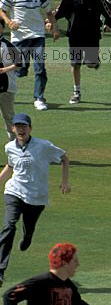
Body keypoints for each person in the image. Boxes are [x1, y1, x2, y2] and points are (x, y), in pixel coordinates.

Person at [0, 113, 67, 287]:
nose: (20, 130)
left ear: (30, 128)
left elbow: (64, 158)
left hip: (37, 197)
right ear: (13, 129)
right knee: (9, 225)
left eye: (24, 126)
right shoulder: (9, 147)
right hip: (14, 191)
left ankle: (28, 235)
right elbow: (11, 166)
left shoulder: (43, 146)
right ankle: (0, 268)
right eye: (17, 126)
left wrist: (64, 182)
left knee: (28, 228)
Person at [53, 0, 111, 106]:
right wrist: (50, 23)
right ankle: (76, 92)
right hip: (75, 36)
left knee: (90, 64)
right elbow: (56, 14)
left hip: (92, 35)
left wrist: (110, 24)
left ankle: (94, 61)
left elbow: (108, 10)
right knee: (75, 64)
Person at [0, 0, 56, 110]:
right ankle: (6, 91)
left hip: (37, 35)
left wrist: (54, 28)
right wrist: (8, 22)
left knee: (40, 68)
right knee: (19, 69)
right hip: (19, 37)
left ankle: (39, 98)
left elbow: (49, 12)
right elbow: (2, 10)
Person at [0, 20, 14, 137]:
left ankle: (15, 143)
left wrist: (5, 70)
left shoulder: (7, 44)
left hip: (5, 87)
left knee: (8, 116)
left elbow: (21, 63)